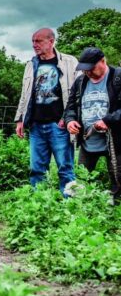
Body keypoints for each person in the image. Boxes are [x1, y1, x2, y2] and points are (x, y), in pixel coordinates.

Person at [14, 29, 78, 194]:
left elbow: (78, 93)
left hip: (60, 125)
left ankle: (69, 206)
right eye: (33, 41)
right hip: (36, 125)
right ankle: (39, 205)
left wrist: (69, 118)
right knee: (37, 169)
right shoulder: (31, 64)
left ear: (51, 41)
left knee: (65, 168)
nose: (35, 45)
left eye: (39, 41)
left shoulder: (69, 62)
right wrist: (20, 119)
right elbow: (25, 94)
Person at [64, 47, 121, 203]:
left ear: (103, 61)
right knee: (82, 179)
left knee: (118, 180)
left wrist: (108, 120)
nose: (87, 72)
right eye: (84, 69)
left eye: (91, 68)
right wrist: (71, 121)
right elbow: (70, 108)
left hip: (115, 141)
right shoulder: (80, 82)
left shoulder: (118, 77)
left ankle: (114, 211)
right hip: (88, 141)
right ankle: (82, 208)